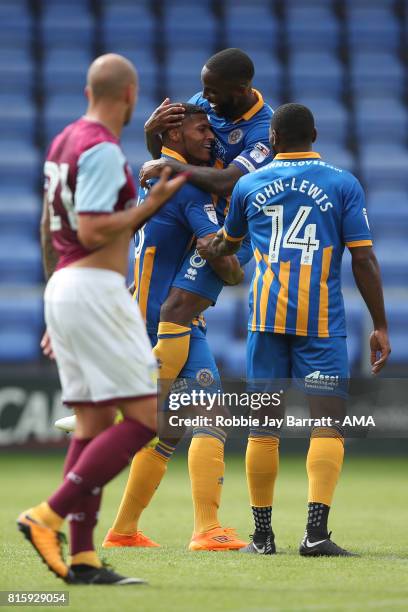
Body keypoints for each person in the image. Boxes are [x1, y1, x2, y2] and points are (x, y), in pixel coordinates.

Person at [17, 53, 187, 585]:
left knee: (91, 425)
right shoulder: (101, 151)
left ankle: (85, 558)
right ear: (130, 95)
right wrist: (151, 204)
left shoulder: (63, 141)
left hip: (67, 286)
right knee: (142, 421)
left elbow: (51, 229)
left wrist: (55, 300)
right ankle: (47, 515)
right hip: (96, 288)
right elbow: (93, 230)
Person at [199, 103, 391, 556]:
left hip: (265, 321)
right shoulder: (343, 184)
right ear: (316, 135)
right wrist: (380, 323)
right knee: (328, 427)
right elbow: (362, 257)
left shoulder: (249, 183)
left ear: (276, 141)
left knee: (263, 429)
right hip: (321, 323)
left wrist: (211, 244)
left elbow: (229, 240)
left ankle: (262, 538)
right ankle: (315, 535)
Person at [102, 48, 274, 551]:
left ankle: (124, 530)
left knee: (174, 428)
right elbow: (218, 254)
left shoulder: (165, 174)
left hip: (153, 306)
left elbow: (221, 176)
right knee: (212, 415)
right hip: (166, 317)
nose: (207, 124)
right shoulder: (186, 189)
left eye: (212, 98)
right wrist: (234, 264)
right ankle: (206, 529)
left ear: (238, 89)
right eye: (199, 130)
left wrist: (160, 153)